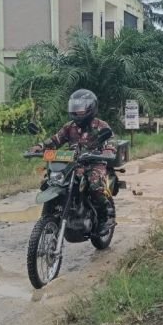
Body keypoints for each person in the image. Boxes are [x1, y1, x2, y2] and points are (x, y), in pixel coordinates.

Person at [31, 89, 116, 234]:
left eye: (81, 108)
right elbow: (55, 140)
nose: (78, 111)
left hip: (94, 162)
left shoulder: (101, 126)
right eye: (76, 107)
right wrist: (40, 147)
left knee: (94, 184)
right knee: (49, 182)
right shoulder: (69, 127)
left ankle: (106, 216)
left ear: (91, 107)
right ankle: (50, 217)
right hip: (73, 163)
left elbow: (110, 140)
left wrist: (108, 150)